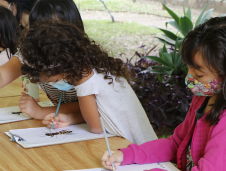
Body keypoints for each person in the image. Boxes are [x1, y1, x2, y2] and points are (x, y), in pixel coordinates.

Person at [94, 16, 226, 171]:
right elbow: (177, 143)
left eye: (199, 75)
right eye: (189, 68)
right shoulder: (204, 97)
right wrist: (127, 155)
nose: (190, 77)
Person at [18, 20, 157, 144]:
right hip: (141, 143)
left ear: (62, 66)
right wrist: (69, 118)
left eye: (54, 80)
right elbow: (99, 115)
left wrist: (65, 117)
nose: (55, 84)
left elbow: (96, 127)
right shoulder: (94, 66)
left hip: (137, 148)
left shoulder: (84, 79)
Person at [0, 0, 84, 123]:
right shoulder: (31, 53)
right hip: (63, 121)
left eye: (56, 28)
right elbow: (2, 76)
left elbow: (89, 104)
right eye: (41, 29)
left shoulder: (84, 57)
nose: (49, 35)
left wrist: (40, 112)